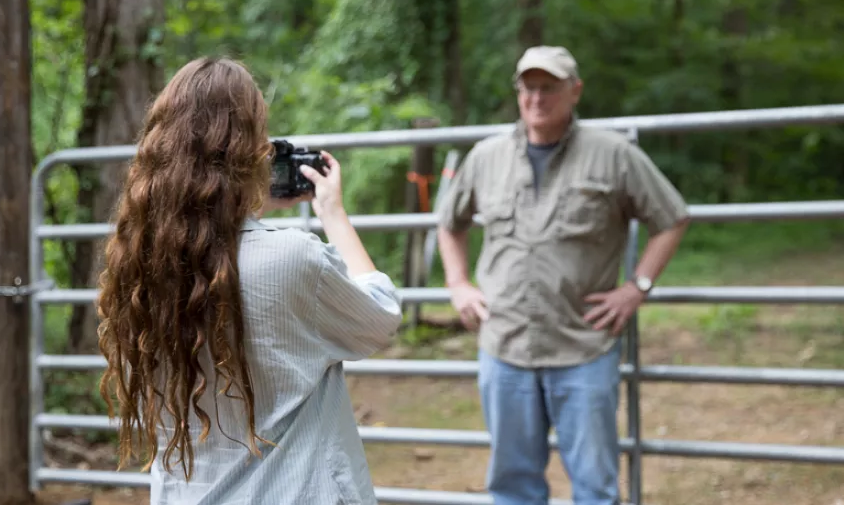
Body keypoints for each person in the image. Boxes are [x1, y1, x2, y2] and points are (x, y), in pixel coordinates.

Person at [96, 57, 402, 505]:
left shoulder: (136, 268)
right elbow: (380, 317)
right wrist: (334, 216)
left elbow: (218, 250)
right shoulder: (293, 257)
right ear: (255, 151)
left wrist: (237, 211)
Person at [436, 46, 690, 505]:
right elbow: (449, 222)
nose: (537, 97)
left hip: (583, 347)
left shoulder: (613, 155)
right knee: (512, 485)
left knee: (594, 487)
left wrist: (638, 287)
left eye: (549, 87)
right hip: (505, 345)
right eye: (528, 87)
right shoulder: (485, 156)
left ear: (575, 91)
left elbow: (671, 218)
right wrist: (457, 283)